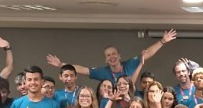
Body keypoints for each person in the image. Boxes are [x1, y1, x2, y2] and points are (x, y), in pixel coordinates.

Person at [45, 29, 176, 84]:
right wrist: (61, 64)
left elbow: (146, 54)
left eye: (114, 54)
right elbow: (82, 69)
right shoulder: (102, 72)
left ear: (119, 56)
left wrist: (162, 41)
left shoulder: (130, 64)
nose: (111, 57)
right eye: (108, 55)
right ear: (106, 59)